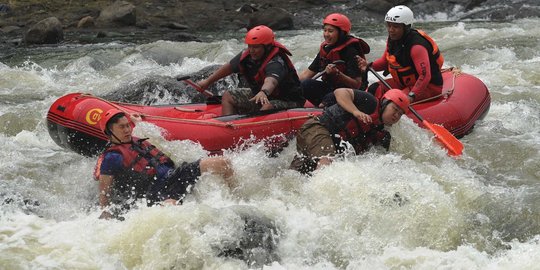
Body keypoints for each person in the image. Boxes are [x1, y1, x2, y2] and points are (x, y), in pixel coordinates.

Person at [93, 109, 234, 219]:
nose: (127, 130)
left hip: (174, 176)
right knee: (172, 210)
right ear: (110, 132)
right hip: (156, 193)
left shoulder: (135, 139)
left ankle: (237, 201)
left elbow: (156, 138)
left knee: (223, 163)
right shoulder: (112, 157)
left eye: (128, 126)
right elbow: (104, 191)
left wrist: (138, 122)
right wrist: (106, 213)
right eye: (122, 127)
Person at [290, 88, 410, 175]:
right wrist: (355, 111)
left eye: (400, 114)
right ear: (384, 103)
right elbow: (340, 92)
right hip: (317, 128)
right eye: (395, 109)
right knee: (326, 160)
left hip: (325, 141)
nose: (396, 115)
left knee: (298, 175)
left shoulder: (382, 134)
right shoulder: (370, 102)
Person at [196, 25, 305, 115]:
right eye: (250, 46)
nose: (252, 50)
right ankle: (228, 128)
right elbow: (229, 67)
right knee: (228, 96)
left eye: (256, 47)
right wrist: (207, 81)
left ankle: (255, 135)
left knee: (267, 106)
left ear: (267, 47)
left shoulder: (277, 62)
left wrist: (264, 92)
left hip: (289, 101)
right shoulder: (248, 55)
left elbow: (271, 81)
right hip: (260, 95)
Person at [359, 5, 444, 103]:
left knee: (393, 101)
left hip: (428, 87)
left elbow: (425, 76)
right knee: (373, 89)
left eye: (395, 26)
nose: (391, 30)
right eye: (389, 25)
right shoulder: (393, 39)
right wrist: (368, 66)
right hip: (404, 84)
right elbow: (384, 62)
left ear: (406, 27)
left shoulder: (417, 46)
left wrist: (412, 95)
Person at [298, 13, 371, 107]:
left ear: (341, 33)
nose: (326, 34)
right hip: (332, 88)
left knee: (330, 97)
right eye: (325, 30)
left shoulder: (351, 51)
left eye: (330, 31)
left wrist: (337, 74)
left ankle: (322, 111)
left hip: (351, 93)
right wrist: (290, 85)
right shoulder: (327, 49)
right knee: (305, 84)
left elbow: (356, 84)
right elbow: (306, 74)